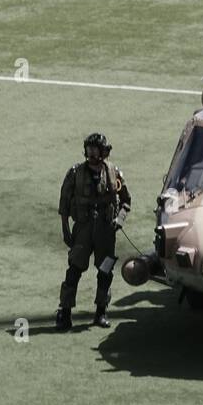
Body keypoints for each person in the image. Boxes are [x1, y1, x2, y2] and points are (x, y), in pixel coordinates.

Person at [56, 132, 131, 331]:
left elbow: (126, 201)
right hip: (83, 229)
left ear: (103, 151)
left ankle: (101, 310)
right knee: (74, 269)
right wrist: (65, 229)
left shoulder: (114, 172)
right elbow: (64, 203)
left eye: (95, 149)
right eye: (89, 149)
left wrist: (119, 219)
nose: (91, 154)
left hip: (106, 231)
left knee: (105, 270)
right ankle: (64, 311)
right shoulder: (75, 172)